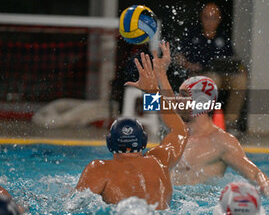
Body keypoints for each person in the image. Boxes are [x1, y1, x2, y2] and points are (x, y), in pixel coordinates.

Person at [154, 42, 269, 197]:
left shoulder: (221, 142)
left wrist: (267, 191)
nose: (177, 99)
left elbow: (256, 175)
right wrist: (161, 74)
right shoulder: (178, 132)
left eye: (184, 95)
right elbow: (166, 104)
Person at [75, 49, 188, 210]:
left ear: (110, 143)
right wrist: (152, 92)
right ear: (144, 141)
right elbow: (180, 131)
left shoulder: (99, 169)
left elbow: (72, 206)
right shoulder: (160, 160)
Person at [175, 2, 248, 131]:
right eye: (206, 17)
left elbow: (233, 58)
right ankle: (203, 121)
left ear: (219, 19)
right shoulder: (193, 34)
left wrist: (241, 69)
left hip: (220, 73)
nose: (209, 21)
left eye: (213, 17)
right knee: (213, 80)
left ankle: (230, 123)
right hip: (198, 75)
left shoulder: (223, 37)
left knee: (240, 81)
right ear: (201, 17)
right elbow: (178, 56)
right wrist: (189, 65)